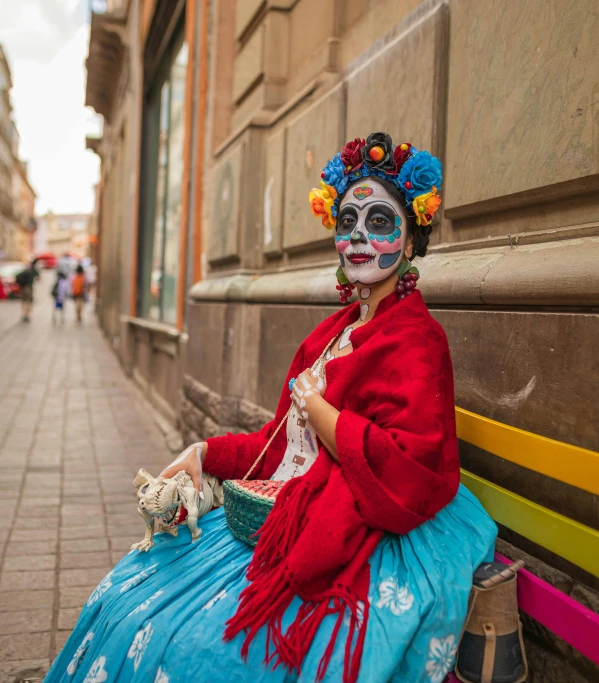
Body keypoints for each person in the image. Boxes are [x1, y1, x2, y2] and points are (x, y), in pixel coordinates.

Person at [45, 133, 496, 683]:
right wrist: (205, 452)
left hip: (368, 526)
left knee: (196, 649)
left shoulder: (419, 341)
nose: (358, 237)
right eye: (347, 221)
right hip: (290, 504)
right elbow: (279, 447)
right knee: (129, 593)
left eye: (379, 222)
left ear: (408, 242)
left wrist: (322, 410)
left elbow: (410, 471)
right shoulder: (330, 335)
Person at [15, 258, 39, 322]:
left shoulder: (25, 269)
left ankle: (23, 314)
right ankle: (27, 315)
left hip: (22, 287)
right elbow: (38, 279)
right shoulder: (34, 270)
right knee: (29, 301)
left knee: (23, 301)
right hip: (28, 287)